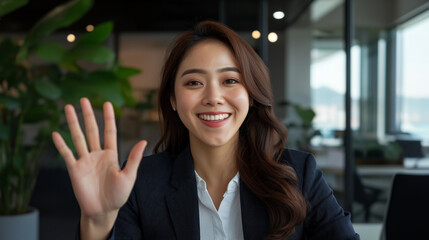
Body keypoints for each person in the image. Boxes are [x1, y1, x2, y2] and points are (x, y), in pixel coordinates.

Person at [52, 21, 359, 240]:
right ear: (173, 99)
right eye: (194, 83)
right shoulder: (141, 183)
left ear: (251, 95)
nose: (213, 96)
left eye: (230, 81)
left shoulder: (299, 172)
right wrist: (98, 221)